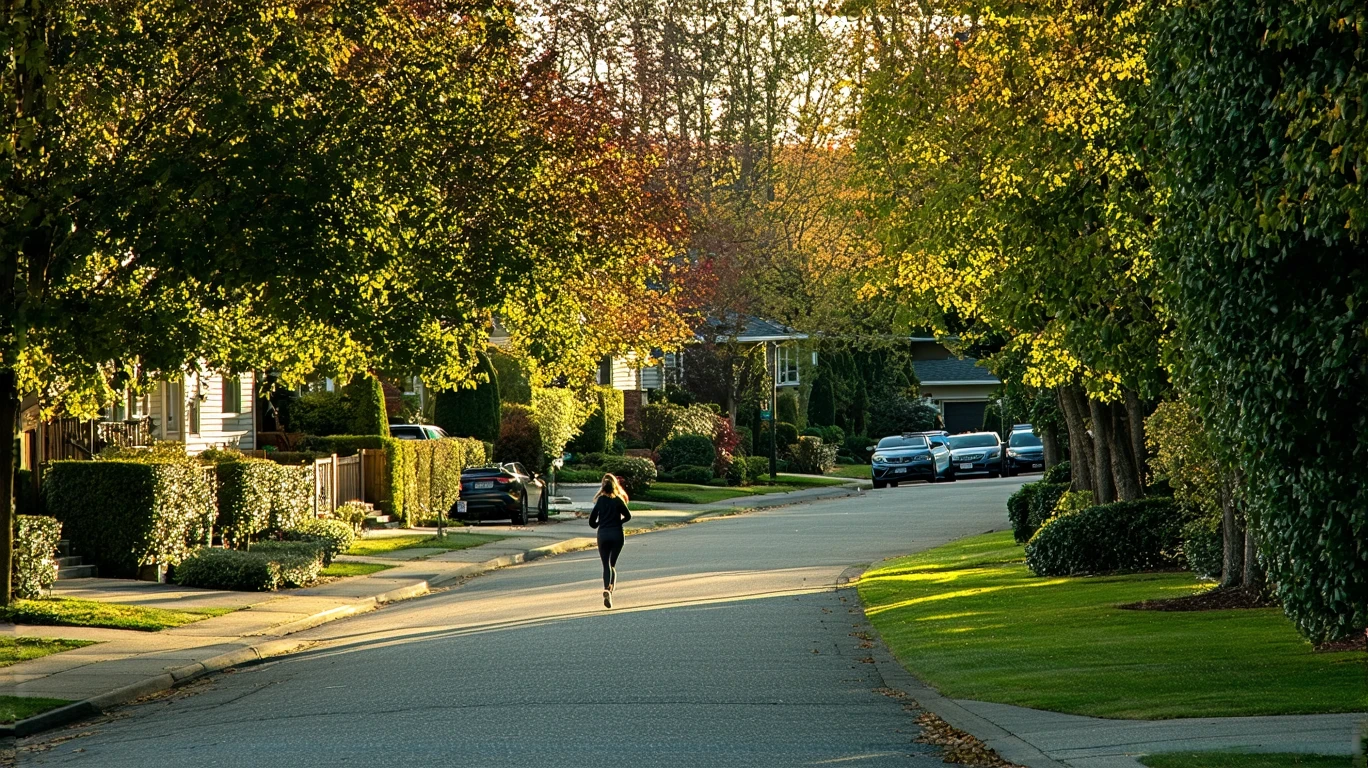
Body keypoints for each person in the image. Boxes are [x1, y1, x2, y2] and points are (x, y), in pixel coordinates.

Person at [588, 473, 632, 608]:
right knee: (612, 564)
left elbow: (591, 522)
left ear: (603, 487)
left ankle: (607, 588)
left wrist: (599, 524)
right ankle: (610, 590)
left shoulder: (600, 501)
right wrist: (619, 522)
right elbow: (628, 516)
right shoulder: (619, 500)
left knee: (605, 565)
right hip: (617, 534)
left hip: (603, 535)